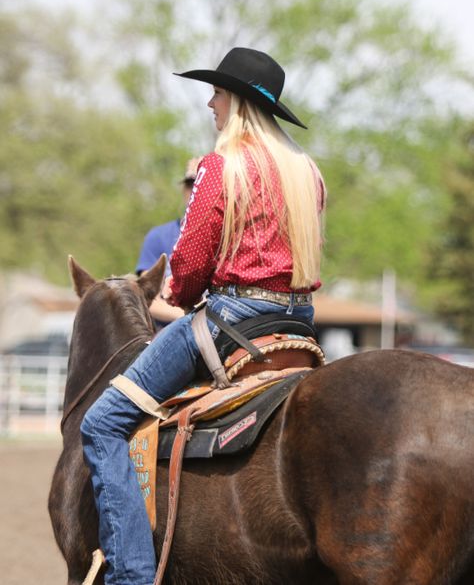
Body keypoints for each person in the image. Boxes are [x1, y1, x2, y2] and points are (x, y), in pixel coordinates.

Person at [80, 46, 326, 585]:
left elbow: (189, 265)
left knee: (101, 423)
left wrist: (180, 289)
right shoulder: (308, 173)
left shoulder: (221, 167)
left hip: (230, 318)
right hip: (298, 325)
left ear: (235, 101)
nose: (210, 103)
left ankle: (131, 576)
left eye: (216, 92)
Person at [136, 157, 201, 328]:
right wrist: (188, 317)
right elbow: (148, 296)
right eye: (189, 183)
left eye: (200, 183)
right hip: (166, 329)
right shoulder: (158, 236)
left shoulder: (226, 237)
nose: (194, 189)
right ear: (183, 188)